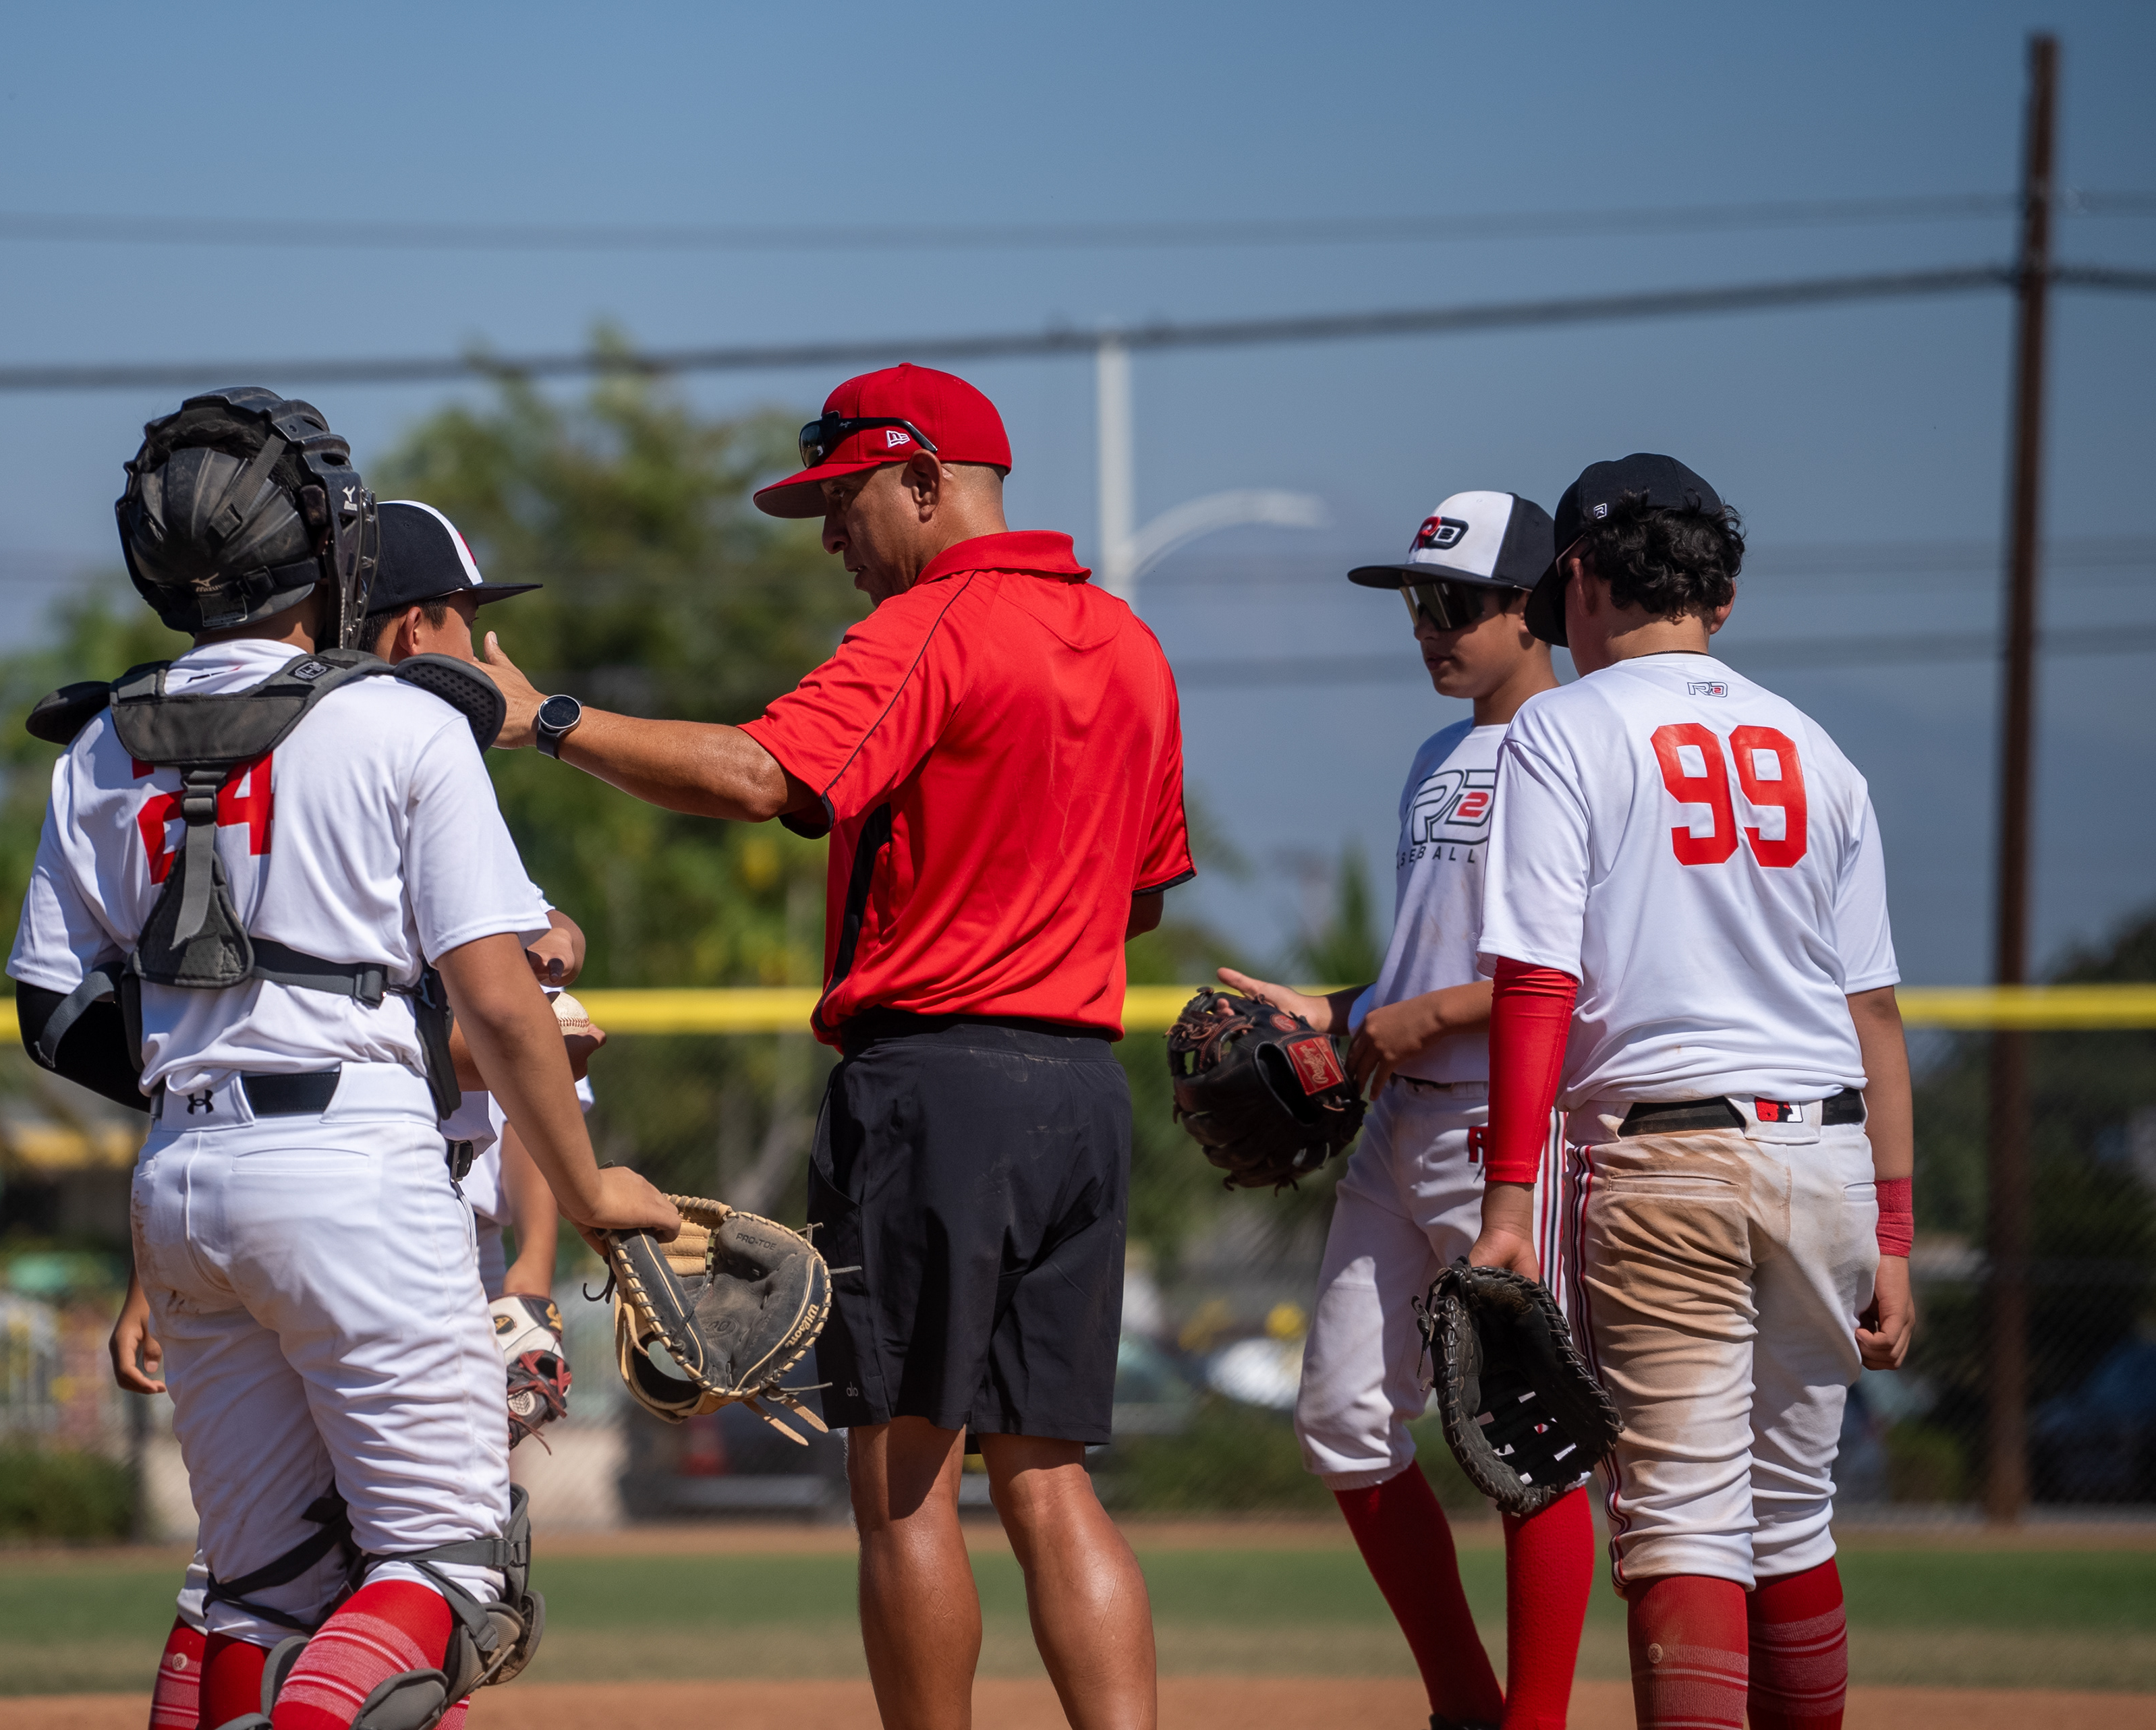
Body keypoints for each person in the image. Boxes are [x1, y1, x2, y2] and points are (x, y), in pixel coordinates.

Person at [475, 364, 1189, 1730]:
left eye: (843, 499)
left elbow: (763, 774)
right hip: (1082, 1094)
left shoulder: (932, 623)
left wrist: (545, 719)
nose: (830, 537)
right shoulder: (1127, 641)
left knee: (901, 1481)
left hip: (936, 1087)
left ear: (924, 480)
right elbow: (1140, 894)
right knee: (1049, 1476)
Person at [10, 394, 676, 1730]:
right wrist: (591, 1189)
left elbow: (49, 1005)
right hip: (357, 1171)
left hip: (183, 1176)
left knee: (258, 1591)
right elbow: (500, 1001)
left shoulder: (101, 741)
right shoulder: (400, 723)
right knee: (447, 1569)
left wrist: (213, 1057)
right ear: (328, 547)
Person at [112, 496, 592, 1730]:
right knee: (442, 1570)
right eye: (465, 622)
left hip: (208, 1187)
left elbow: (161, 1026)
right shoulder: (406, 752)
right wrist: (552, 1259)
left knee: (255, 1583)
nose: (483, 653)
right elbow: (519, 1040)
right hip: (374, 1220)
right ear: (409, 628)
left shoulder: (162, 750)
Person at [1473, 455, 1913, 1730]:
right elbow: (1874, 1016)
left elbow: (1537, 981)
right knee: (1792, 1519)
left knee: (1684, 1527)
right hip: (1829, 1157)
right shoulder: (1818, 749)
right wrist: (1893, 1234)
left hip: (1669, 1162)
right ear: (1717, 589)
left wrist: (1507, 1206)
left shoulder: (1564, 726)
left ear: (1583, 578)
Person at [1221, 490, 1593, 1730]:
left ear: (1533, 608)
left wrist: (1424, 1017)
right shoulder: (1437, 757)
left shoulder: (1577, 749)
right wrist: (1337, 1008)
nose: (1428, 625)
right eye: (1416, 602)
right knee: (1341, 1418)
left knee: (1525, 1437)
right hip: (1399, 1124)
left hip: (1507, 1127)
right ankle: (1467, 1705)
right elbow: (1427, 966)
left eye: (1455, 602)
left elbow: (1580, 966)